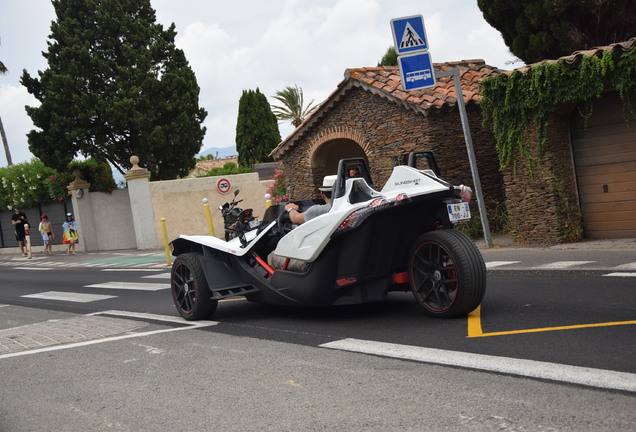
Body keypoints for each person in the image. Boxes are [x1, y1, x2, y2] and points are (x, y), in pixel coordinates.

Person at [268, 175, 336, 271]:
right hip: (336, 258)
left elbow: (295, 218)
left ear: (322, 194)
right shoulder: (350, 208)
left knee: (272, 256)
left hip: (315, 261)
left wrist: (290, 208)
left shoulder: (317, 211)